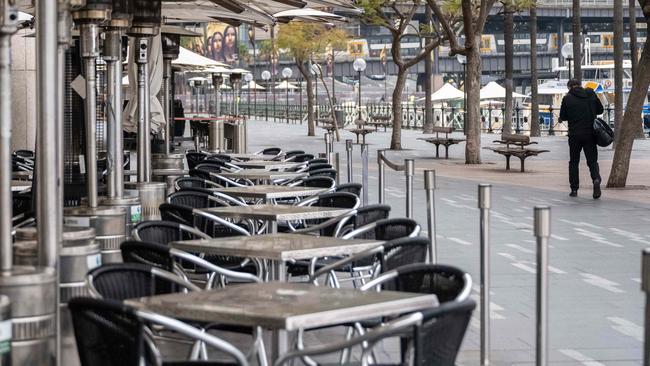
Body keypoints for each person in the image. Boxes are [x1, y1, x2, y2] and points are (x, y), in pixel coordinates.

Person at [559, 78, 604, 199]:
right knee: (592, 161)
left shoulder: (567, 98)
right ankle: (595, 179)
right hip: (590, 134)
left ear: (569, 87)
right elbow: (601, 110)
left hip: (574, 135)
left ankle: (574, 189)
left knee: (574, 162)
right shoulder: (590, 93)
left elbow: (563, 116)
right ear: (580, 85)